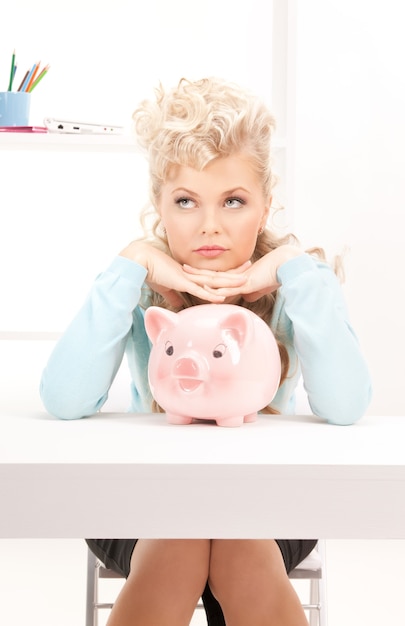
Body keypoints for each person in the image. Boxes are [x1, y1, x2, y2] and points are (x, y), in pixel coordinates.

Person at [40, 77, 372, 626]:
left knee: (238, 542)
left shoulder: (296, 290)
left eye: (234, 202)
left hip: (268, 504)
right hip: (144, 501)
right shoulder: (138, 291)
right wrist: (130, 263)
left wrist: (291, 267)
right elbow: (66, 400)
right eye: (186, 201)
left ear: (265, 207)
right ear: (160, 207)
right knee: (181, 536)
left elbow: (346, 405)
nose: (210, 226)